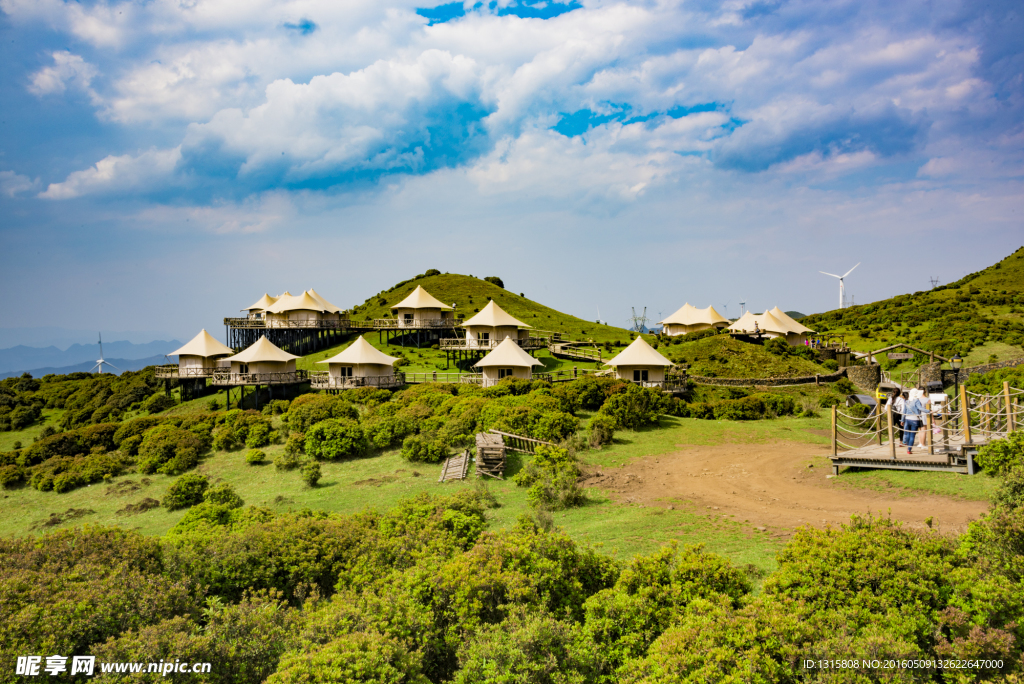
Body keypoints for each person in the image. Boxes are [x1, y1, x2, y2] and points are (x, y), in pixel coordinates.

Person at [903, 388, 925, 454]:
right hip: (915, 419)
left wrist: (902, 420)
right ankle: (909, 449)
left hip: (907, 419)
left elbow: (904, 411)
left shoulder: (907, 401)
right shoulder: (917, 401)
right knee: (912, 435)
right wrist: (929, 411)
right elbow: (920, 408)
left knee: (908, 434)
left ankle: (907, 445)